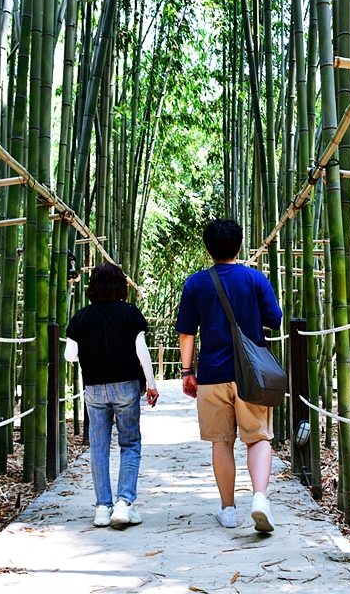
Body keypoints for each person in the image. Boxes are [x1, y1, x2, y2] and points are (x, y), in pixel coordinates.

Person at [175, 219, 282, 532]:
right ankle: (260, 497)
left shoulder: (195, 283)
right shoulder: (255, 278)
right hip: (252, 375)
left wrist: (186, 371)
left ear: (208, 250)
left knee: (221, 442)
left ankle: (228, 509)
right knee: (258, 436)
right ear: (239, 247)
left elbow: (186, 334)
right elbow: (274, 319)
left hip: (212, 374)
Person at [65, 263, 159, 529]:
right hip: (126, 386)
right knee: (129, 443)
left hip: (94, 388)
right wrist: (151, 385)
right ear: (121, 286)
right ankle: (124, 502)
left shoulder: (81, 317)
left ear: (92, 287)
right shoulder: (130, 313)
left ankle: (102, 507)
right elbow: (142, 353)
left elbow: (70, 355)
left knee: (99, 446)